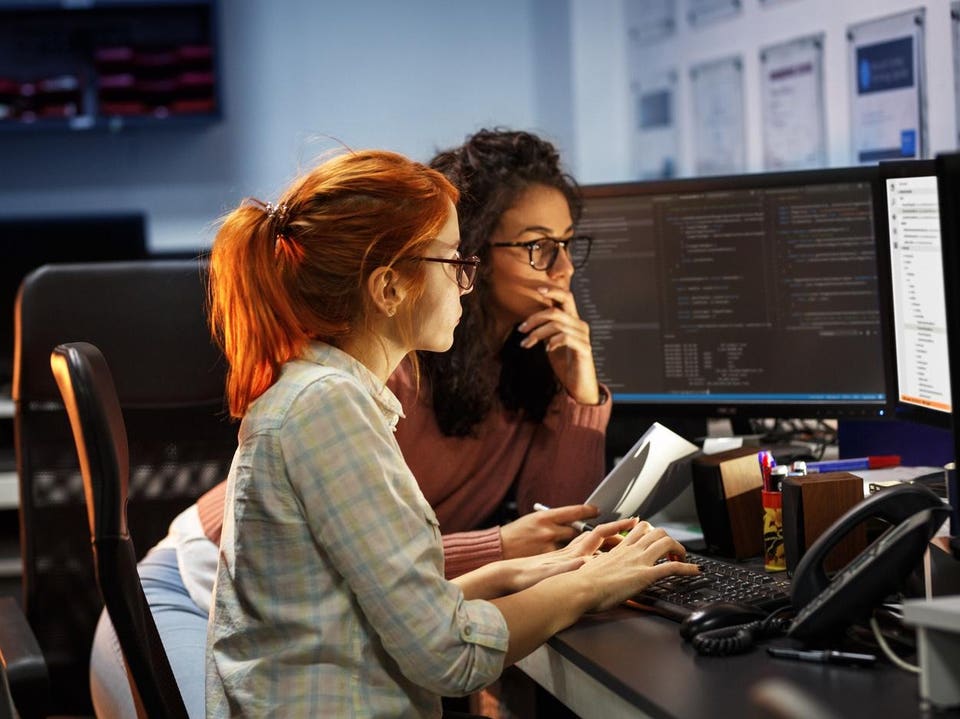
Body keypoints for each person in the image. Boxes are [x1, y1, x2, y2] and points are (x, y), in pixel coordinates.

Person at [87, 129, 618, 717]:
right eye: (456, 260)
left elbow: (392, 580)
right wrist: (534, 565)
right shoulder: (349, 392)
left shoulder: (369, 381)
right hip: (190, 588)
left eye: (568, 244)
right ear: (390, 286)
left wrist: (578, 399)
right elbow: (433, 634)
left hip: (307, 631)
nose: (563, 268)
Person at [200, 148, 697, 715]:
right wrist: (592, 585)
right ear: (389, 289)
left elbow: (359, 607)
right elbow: (449, 654)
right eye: (454, 260)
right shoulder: (329, 406)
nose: (466, 281)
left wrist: (531, 570)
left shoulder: (330, 393)